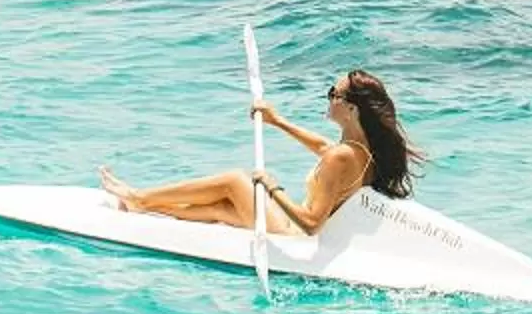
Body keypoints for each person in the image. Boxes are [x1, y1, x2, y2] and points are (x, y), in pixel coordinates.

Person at [100, 70, 422, 236]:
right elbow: (324, 147)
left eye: (332, 94)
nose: (328, 98)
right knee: (222, 209)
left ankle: (139, 198)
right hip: (291, 230)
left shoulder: (342, 157)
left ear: (350, 108)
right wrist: (276, 121)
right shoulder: (362, 150)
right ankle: (143, 210)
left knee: (233, 181)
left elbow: (312, 223)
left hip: (294, 236)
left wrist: (271, 186)